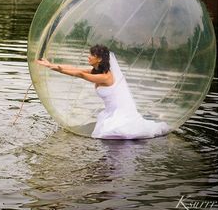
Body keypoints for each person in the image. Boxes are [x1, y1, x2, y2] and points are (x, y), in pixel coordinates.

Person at [37, 45, 170, 139]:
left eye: (92, 55)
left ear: (99, 59)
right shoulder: (97, 71)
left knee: (117, 132)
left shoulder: (105, 76)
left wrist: (54, 67)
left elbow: (79, 74)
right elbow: (75, 69)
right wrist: (50, 66)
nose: (88, 57)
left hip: (121, 114)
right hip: (110, 112)